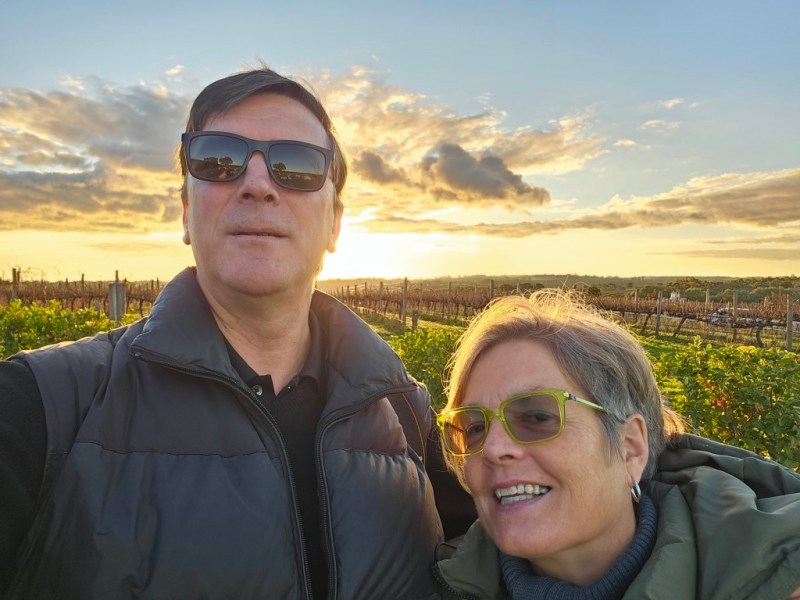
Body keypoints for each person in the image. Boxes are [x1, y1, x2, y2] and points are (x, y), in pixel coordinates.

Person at [0, 65, 465, 599]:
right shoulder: (42, 407)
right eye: (218, 160)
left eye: (296, 165)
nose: (257, 184)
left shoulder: (406, 412)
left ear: (335, 224)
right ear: (185, 212)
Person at [433, 290, 800, 600]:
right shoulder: (438, 582)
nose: (493, 448)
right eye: (475, 427)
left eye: (538, 417)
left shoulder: (775, 580)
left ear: (630, 448)